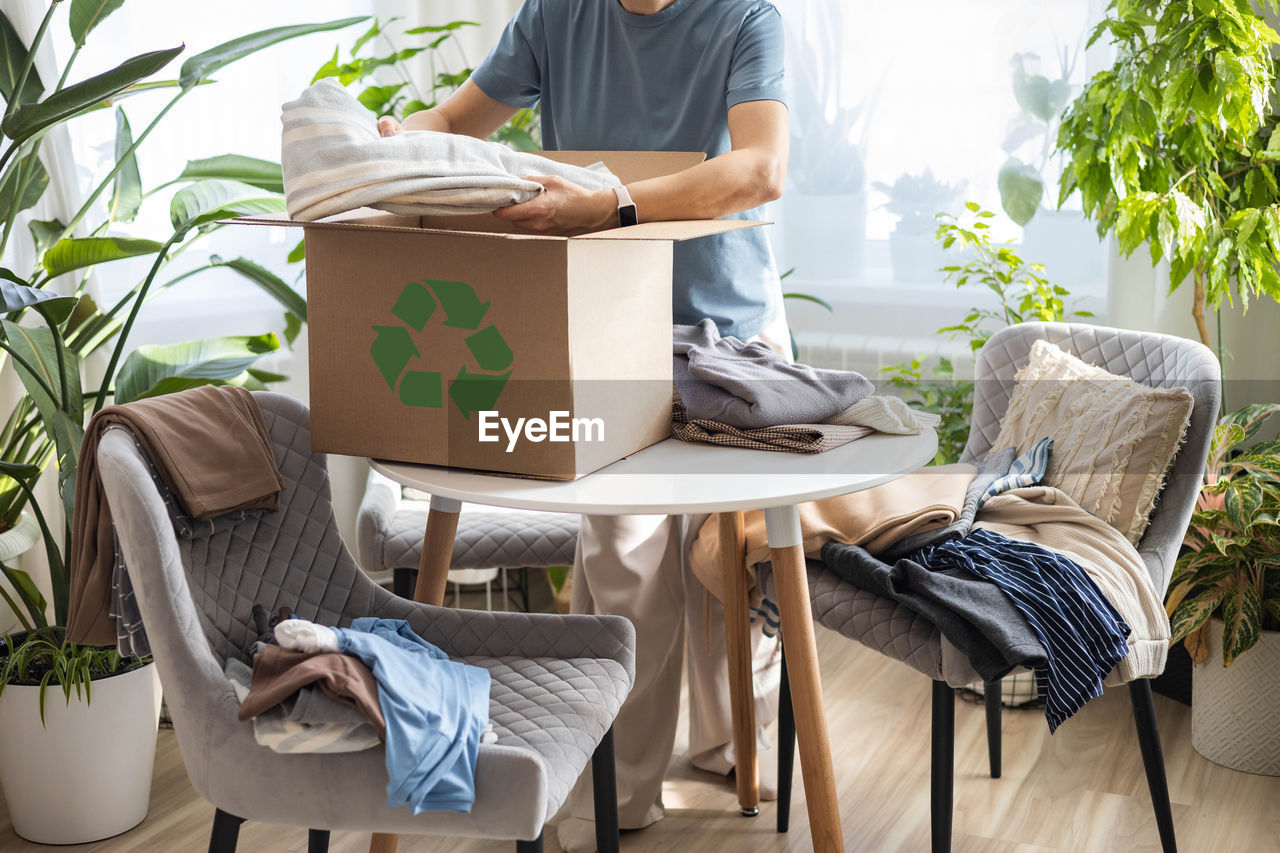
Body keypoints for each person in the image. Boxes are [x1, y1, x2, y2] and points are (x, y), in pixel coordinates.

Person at [379, 1, 789, 847]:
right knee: (626, 544)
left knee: (727, 555)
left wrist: (612, 203)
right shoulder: (559, 13)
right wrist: (399, 142)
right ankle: (625, 790)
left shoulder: (746, 16)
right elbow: (458, 117)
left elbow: (760, 167)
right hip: (608, 323)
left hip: (730, 325)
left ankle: (726, 745)